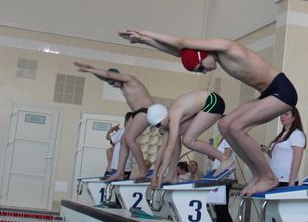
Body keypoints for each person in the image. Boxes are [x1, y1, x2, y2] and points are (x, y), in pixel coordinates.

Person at [118, 30, 297, 196]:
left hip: (282, 90)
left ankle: (268, 176)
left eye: (201, 67)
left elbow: (182, 42)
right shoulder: (213, 57)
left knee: (235, 126)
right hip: (269, 93)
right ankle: (259, 176)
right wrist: (145, 41)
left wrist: (145, 33)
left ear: (202, 54)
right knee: (225, 125)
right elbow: (180, 51)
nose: (204, 72)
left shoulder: (227, 47)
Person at [73, 63, 153, 180]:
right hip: (136, 113)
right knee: (124, 141)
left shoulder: (129, 79)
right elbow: (106, 76)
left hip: (146, 111)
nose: (113, 86)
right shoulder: (121, 85)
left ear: (117, 77)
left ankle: (142, 170)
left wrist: (90, 70)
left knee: (130, 139)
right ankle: (120, 172)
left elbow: (108, 74)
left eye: (113, 82)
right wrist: (93, 70)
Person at [145, 90, 233, 188]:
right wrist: (154, 175)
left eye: (158, 125)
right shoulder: (167, 120)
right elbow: (163, 149)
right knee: (176, 135)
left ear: (162, 117)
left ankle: (224, 159)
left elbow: (170, 148)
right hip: (204, 105)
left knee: (188, 140)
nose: (159, 128)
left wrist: (160, 175)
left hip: (213, 102)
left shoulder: (174, 114)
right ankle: (171, 175)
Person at [262, 108, 306, 187]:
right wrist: (267, 151)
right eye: (281, 114)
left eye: (286, 114)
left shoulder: (297, 134)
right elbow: (275, 156)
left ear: (293, 118)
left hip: (286, 179)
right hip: (275, 178)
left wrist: (291, 181)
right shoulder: (282, 134)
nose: (282, 117)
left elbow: (297, 158)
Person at [208, 137, 236, 222]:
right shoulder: (221, 141)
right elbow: (213, 158)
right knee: (218, 206)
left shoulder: (229, 139)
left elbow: (227, 156)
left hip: (224, 176)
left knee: (222, 207)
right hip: (217, 175)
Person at [104, 112, 133, 179]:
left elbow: (108, 137)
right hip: (128, 168)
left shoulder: (123, 131)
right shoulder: (135, 132)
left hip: (118, 167)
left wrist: (111, 129)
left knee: (113, 186)